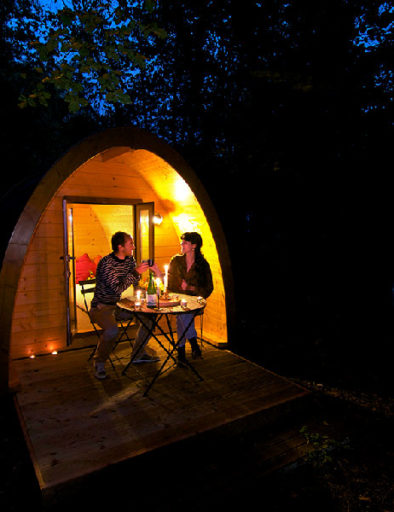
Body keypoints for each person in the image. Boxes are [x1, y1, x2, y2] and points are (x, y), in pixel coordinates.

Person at [90, 231, 162, 380]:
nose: (134, 247)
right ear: (120, 247)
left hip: (118, 306)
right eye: (131, 244)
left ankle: (138, 354)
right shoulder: (106, 263)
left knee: (149, 318)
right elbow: (117, 288)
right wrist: (135, 272)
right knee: (111, 331)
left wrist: (155, 274)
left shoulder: (130, 260)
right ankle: (99, 363)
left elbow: (136, 284)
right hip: (101, 307)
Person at [168, 232, 213, 365]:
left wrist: (193, 289)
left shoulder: (203, 265)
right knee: (182, 317)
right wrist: (179, 286)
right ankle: (192, 346)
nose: (181, 244)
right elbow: (170, 280)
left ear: (194, 245)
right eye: (182, 242)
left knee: (183, 317)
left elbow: (209, 287)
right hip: (177, 298)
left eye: (185, 242)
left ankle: (183, 351)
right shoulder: (176, 260)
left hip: (194, 300)